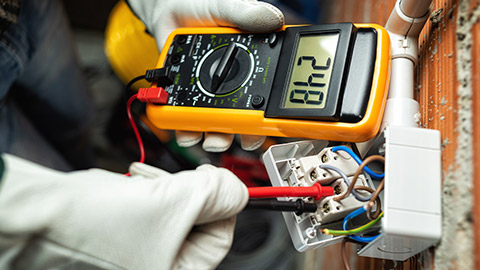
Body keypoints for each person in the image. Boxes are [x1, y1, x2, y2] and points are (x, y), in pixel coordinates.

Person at [0, 0, 284, 268]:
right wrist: (44, 213)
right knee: (61, 186)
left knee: (78, 122)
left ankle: (86, 170)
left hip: (23, 11)